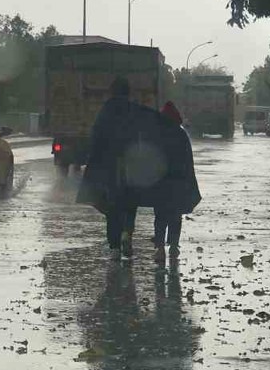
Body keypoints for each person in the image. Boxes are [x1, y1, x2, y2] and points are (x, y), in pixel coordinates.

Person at [77, 76, 148, 260]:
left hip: (108, 167)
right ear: (128, 92)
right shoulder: (134, 110)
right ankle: (127, 234)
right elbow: (143, 137)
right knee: (131, 203)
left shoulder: (105, 110)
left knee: (112, 207)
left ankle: (115, 247)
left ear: (112, 91)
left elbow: (96, 138)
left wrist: (92, 163)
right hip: (131, 165)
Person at [142, 100, 201, 264]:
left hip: (160, 183)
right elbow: (188, 162)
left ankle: (160, 249)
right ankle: (174, 247)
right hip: (178, 183)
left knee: (160, 216)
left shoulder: (156, 135)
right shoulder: (181, 135)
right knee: (175, 216)